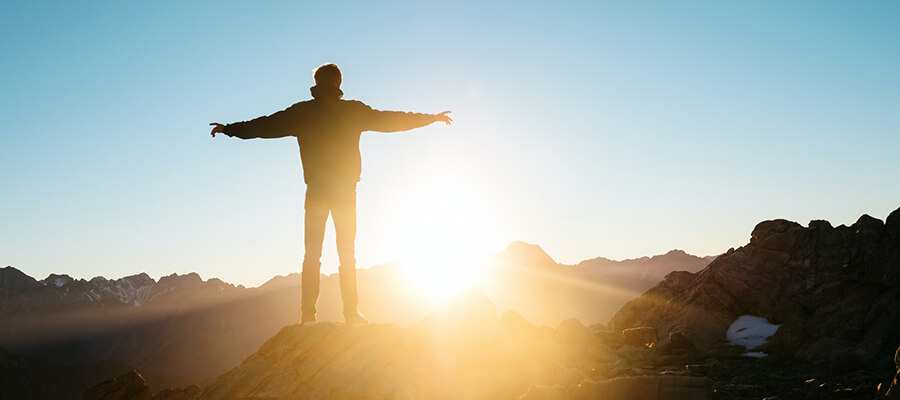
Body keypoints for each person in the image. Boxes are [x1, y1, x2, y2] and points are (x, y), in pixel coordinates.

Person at [210, 63, 451, 325]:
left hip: (316, 190)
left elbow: (265, 125)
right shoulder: (353, 111)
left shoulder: (303, 112)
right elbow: (392, 120)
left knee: (312, 254)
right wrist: (430, 118)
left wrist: (229, 129)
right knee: (347, 252)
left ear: (317, 82)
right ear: (338, 83)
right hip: (346, 191)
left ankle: (308, 316)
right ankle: (351, 315)